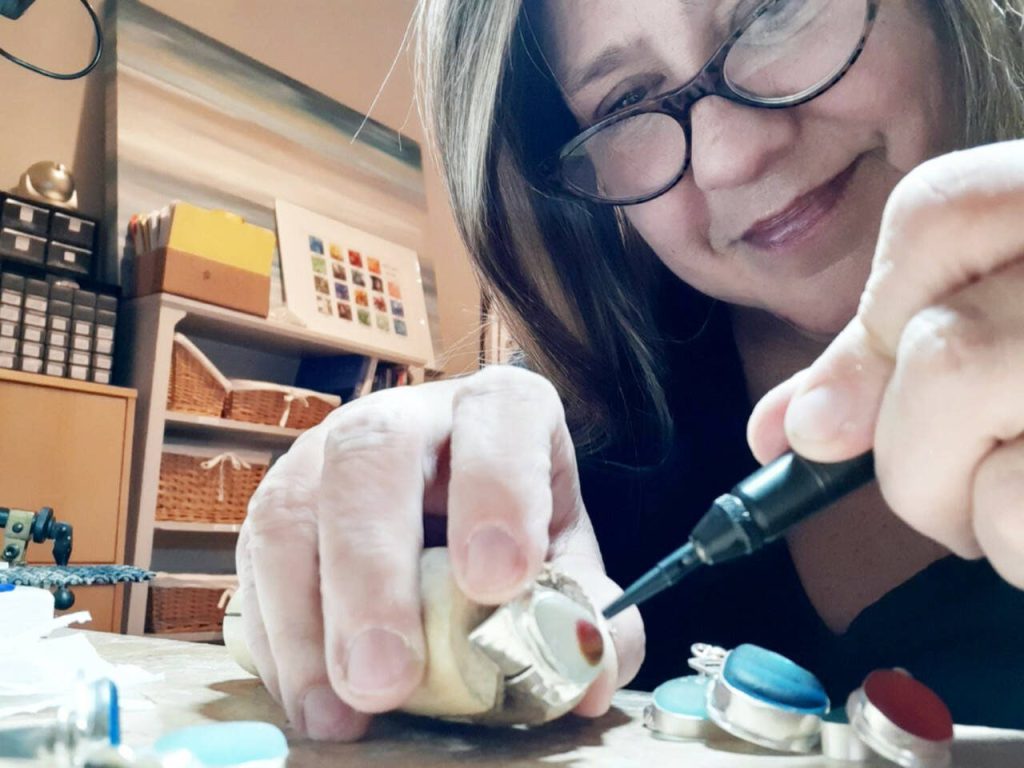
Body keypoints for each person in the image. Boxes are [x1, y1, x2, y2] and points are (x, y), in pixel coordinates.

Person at [236, 0, 1024, 741]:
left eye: (771, 10)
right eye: (622, 104)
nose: (731, 154)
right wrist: (378, 549)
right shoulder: (592, 453)